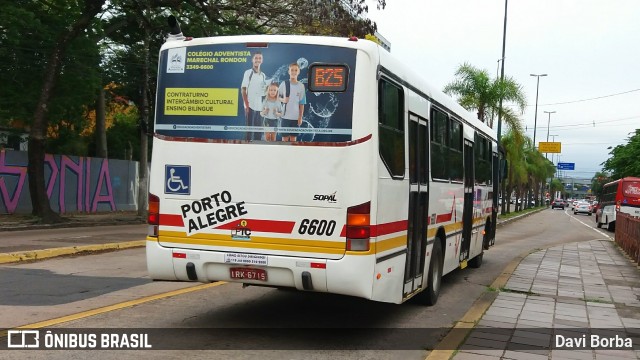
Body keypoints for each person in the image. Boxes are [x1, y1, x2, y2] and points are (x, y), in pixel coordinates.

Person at [241, 51, 267, 141]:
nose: (258, 60)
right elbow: (243, 89)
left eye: (260, 58)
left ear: (262, 60)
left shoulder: (263, 76)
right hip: (250, 106)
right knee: (249, 131)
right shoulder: (248, 73)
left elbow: (263, 93)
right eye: (256, 58)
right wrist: (246, 105)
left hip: (259, 107)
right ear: (252, 60)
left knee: (258, 131)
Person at [278, 62, 306, 142]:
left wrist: (300, 117)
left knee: (293, 139)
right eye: (292, 70)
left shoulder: (301, 86)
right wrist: (283, 100)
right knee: (285, 139)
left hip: (295, 118)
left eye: (296, 70)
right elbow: (277, 97)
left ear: (298, 72)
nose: (293, 72)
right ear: (289, 71)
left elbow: (302, 103)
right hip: (285, 117)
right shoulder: (284, 84)